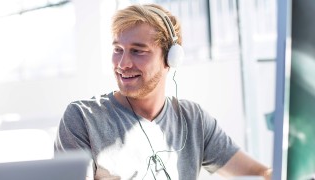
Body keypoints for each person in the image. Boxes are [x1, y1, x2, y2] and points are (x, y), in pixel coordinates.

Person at [54, 3, 272, 180]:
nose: (123, 63)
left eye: (138, 51)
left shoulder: (193, 119)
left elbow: (261, 173)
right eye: (117, 50)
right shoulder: (82, 118)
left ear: (170, 59)